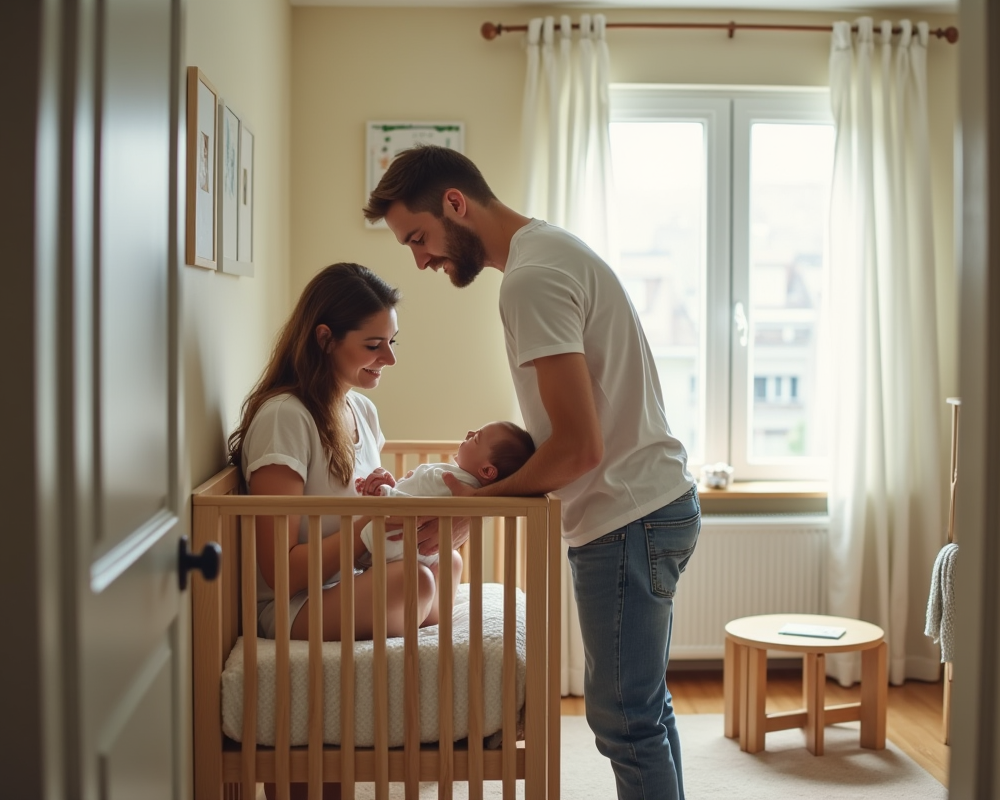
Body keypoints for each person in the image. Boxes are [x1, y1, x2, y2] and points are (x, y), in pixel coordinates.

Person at [364, 146, 701, 800]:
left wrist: (473, 505)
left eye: (419, 238)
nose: (421, 260)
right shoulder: (548, 252)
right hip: (649, 505)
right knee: (644, 709)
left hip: (626, 516)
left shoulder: (531, 279)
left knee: (624, 719)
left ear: (456, 204)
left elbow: (577, 449)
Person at [226, 262, 463, 643]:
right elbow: (281, 572)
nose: (390, 358)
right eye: (373, 345)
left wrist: (388, 505)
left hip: (350, 580)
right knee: (414, 582)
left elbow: (365, 533)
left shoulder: (362, 411)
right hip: (295, 603)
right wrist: (371, 524)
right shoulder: (285, 417)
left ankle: (405, 625)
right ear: (325, 339)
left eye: (392, 342)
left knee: (447, 562)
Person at [353, 421, 535, 572]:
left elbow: (411, 506)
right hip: (421, 555)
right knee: (453, 561)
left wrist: (384, 492)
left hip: (392, 546)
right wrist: (396, 486)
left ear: (487, 471)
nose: (469, 433)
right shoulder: (465, 486)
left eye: (476, 438)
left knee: (451, 561)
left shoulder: (450, 481)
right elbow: (417, 498)